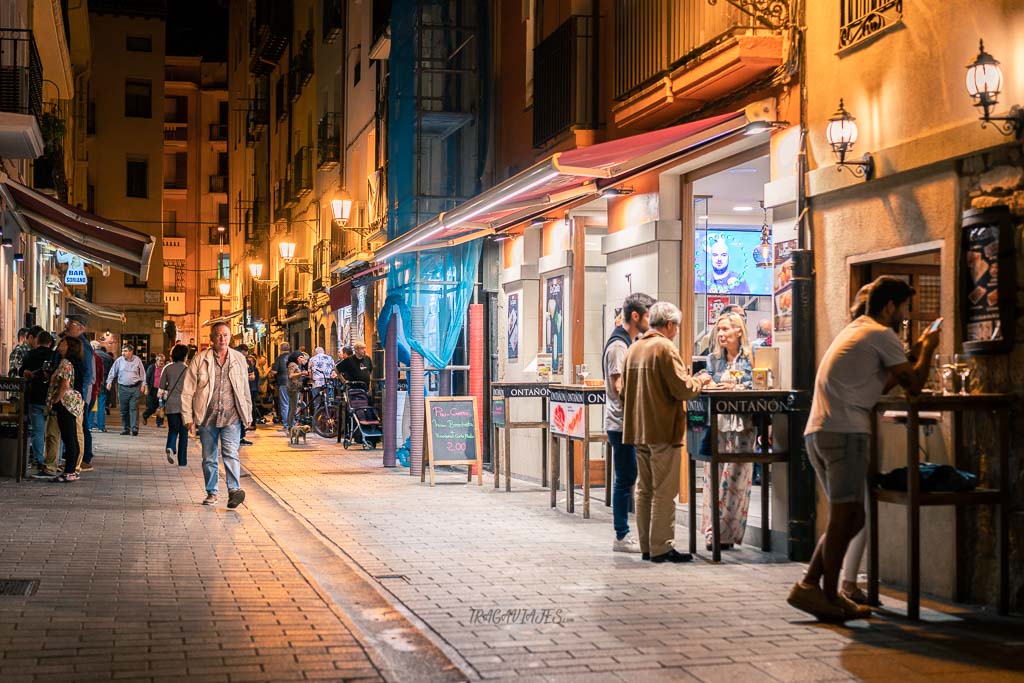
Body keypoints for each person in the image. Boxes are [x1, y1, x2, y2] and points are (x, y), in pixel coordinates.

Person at [787, 276, 939, 622]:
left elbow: (878, 382)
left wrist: (910, 355)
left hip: (822, 432)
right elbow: (914, 386)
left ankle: (814, 588)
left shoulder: (857, 329)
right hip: (844, 433)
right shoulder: (881, 334)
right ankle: (822, 593)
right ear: (890, 306)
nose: (905, 315)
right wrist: (928, 347)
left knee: (851, 517)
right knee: (847, 517)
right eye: (903, 308)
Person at [621, 301, 711, 563]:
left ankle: (647, 546)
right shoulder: (664, 348)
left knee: (644, 489)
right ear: (670, 324)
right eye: (677, 327)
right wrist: (700, 380)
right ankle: (661, 546)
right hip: (662, 430)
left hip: (638, 430)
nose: (677, 331)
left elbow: (623, 393)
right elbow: (682, 388)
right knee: (664, 490)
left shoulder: (634, 348)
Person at [603, 292, 655, 554]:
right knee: (626, 478)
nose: (650, 321)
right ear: (636, 316)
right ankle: (621, 534)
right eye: (648, 315)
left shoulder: (629, 342)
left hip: (627, 421)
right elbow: (619, 385)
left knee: (628, 476)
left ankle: (623, 532)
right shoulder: (618, 347)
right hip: (620, 422)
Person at [180, 322, 252, 509]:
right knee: (209, 457)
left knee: (231, 454)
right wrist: (188, 418)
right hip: (207, 417)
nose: (222, 339)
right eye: (219, 335)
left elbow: (245, 388)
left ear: (230, 338)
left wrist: (248, 412)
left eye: (226, 335)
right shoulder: (200, 359)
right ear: (211, 339)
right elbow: (187, 390)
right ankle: (212, 492)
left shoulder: (238, 359)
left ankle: (234, 491)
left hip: (232, 417)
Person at [700, 312, 755, 551]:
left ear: (739, 331)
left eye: (725, 329)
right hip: (718, 424)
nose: (721, 334)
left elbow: (760, 382)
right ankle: (713, 531)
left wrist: (739, 385)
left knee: (735, 480)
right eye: (719, 330)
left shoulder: (751, 359)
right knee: (714, 476)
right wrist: (708, 381)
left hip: (742, 425)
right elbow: (704, 378)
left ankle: (727, 533)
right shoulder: (714, 360)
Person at [57, 315, 95, 468]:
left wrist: (79, 394)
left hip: (74, 395)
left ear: (81, 327)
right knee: (75, 428)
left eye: (71, 323)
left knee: (79, 428)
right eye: (67, 322)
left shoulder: (83, 346)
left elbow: (87, 374)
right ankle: (76, 461)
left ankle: (82, 460)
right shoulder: (72, 343)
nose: (67, 326)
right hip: (73, 395)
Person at [48, 335, 86, 482]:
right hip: (73, 403)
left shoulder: (65, 363)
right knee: (72, 437)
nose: (60, 344)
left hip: (66, 403)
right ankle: (71, 471)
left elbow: (64, 385)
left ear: (69, 346)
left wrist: (55, 400)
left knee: (68, 437)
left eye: (62, 342)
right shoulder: (74, 362)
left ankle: (69, 471)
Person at [21, 331, 55, 474]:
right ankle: (53, 461)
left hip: (34, 397)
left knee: (37, 432)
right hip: (51, 398)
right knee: (53, 433)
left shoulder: (30, 354)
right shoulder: (54, 356)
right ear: (50, 342)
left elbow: (21, 372)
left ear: (38, 341)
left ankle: (38, 460)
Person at [106, 344, 146, 435]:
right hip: (123, 388)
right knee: (123, 409)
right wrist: (109, 382)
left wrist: (143, 384)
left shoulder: (137, 360)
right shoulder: (119, 361)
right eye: (123, 351)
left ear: (131, 352)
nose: (123, 353)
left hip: (135, 387)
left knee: (134, 408)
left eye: (125, 351)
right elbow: (113, 371)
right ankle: (126, 428)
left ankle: (134, 428)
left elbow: (143, 373)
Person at [160, 344, 189, 466]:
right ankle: (182, 461)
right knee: (184, 433)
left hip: (171, 403)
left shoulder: (167, 368)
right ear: (185, 356)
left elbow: (161, 386)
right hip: (185, 405)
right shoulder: (189, 369)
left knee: (173, 429)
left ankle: (171, 446)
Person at [92, 341, 114, 432]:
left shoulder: (91, 356)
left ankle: (90, 425)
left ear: (93, 347)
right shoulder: (108, 357)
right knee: (101, 404)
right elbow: (112, 372)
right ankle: (101, 426)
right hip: (104, 383)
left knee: (92, 403)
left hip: (93, 383)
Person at [286, 351, 310, 429]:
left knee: (292, 407)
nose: (302, 359)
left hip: (294, 388)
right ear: (296, 357)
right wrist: (301, 373)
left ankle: (290, 424)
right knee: (293, 408)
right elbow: (291, 375)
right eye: (300, 357)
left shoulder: (296, 365)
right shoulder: (293, 365)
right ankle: (290, 426)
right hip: (293, 388)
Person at [142, 354, 165, 427]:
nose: (161, 362)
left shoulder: (164, 368)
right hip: (152, 390)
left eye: (163, 361)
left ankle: (160, 423)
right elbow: (147, 378)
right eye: (160, 361)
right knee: (151, 407)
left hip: (161, 390)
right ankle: (145, 416)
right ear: (156, 360)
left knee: (161, 407)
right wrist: (146, 388)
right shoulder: (152, 367)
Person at [272, 343, 292, 427]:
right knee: (293, 403)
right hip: (294, 383)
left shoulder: (279, 358)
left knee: (285, 404)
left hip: (283, 383)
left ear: (280, 349)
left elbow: (274, 372)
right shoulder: (293, 357)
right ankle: (292, 422)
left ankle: (286, 423)